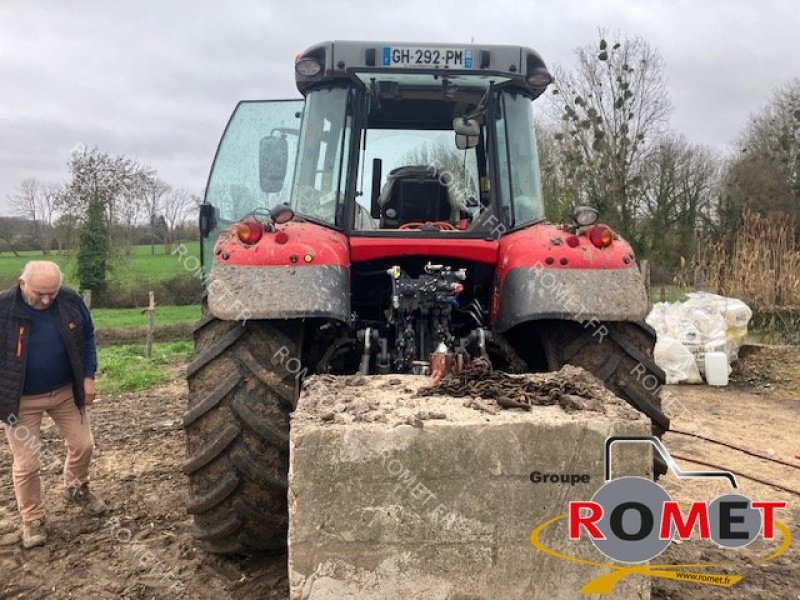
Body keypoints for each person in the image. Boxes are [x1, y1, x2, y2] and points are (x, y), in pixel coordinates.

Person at [0, 261, 107, 549]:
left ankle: (76, 489)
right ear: (22, 283)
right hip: (21, 401)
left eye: (52, 293)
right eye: (40, 293)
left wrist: (87, 377)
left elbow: (86, 337)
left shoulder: (69, 300)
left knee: (84, 445)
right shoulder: (4, 308)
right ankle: (32, 519)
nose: (47, 300)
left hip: (64, 391)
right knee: (28, 462)